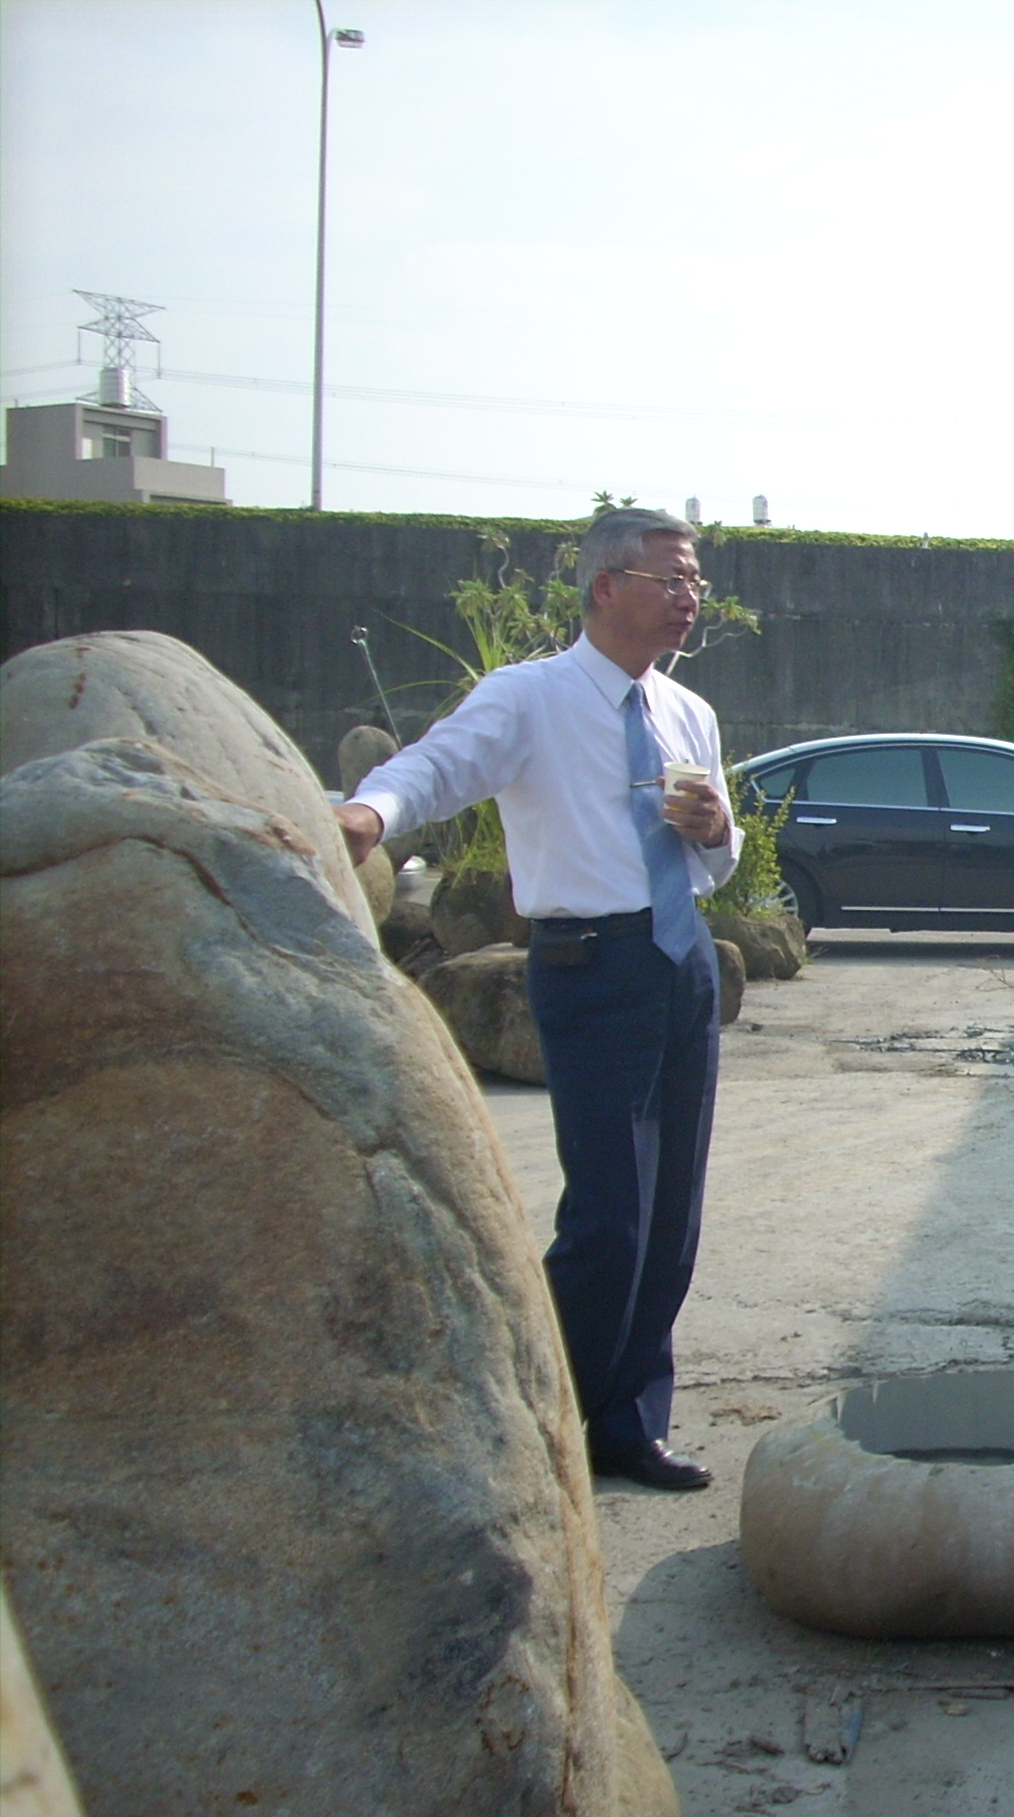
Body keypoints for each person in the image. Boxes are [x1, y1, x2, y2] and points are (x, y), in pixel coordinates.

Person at [336, 507, 737, 1492]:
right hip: (591, 966)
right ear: (607, 588)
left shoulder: (688, 714)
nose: (690, 599)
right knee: (609, 1215)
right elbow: (436, 766)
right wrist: (369, 815)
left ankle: (627, 1425)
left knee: (672, 1212)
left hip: (680, 957)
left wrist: (717, 825)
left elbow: (716, 865)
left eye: (695, 584)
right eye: (670, 580)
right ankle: (529, 1417)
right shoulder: (531, 698)